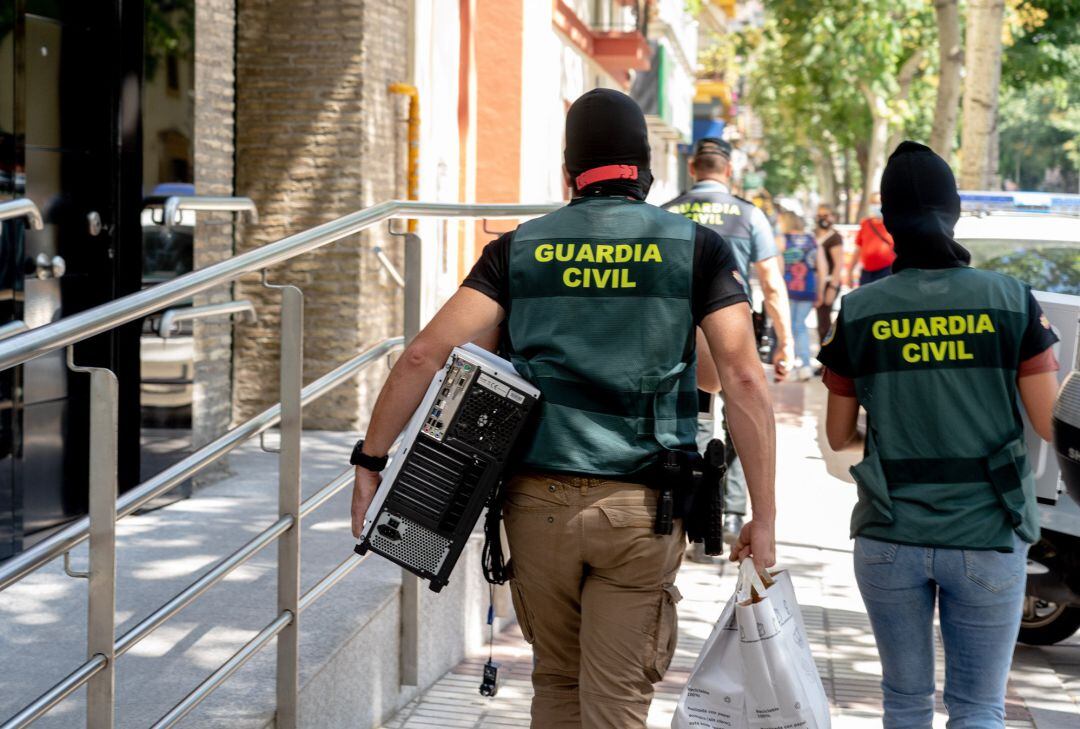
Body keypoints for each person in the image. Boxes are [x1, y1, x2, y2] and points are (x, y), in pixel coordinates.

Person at [350, 89, 777, 728]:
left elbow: (422, 356)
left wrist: (371, 461)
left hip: (536, 507)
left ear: (568, 174)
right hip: (641, 510)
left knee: (555, 683)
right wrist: (764, 516)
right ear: (646, 171)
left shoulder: (518, 249)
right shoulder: (695, 248)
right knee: (615, 703)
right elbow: (737, 377)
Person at [818, 142, 1060, 728]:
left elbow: (838, 434)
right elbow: (1049, 423)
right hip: (987, 534)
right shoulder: (1010, 301)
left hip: (889, 534)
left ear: (888, 221)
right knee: (978, 708)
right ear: (953, 212)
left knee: (904, 704)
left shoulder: (859, 310)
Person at [663, 137, 792, 541]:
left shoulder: (666, 213)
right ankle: (732, 511)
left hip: (680, 332)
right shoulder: (749, 215)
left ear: (692, 169)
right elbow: (771, 283)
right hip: (732, 328)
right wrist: (785, 342)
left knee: (694, 418)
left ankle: (695, 512)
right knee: (740, 416)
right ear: (730, 171)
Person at [777, 211, 827, 379]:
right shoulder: (813, 240)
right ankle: (803, 365)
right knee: (799, 325)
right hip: (808, 288)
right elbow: (822, 269)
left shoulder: (782, 239)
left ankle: (793, 364)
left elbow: (778, 268)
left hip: (787, 289)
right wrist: (820, 292)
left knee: (789, 327)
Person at [849, 191, 895, 286]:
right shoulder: (865, 223)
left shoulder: (892, 223)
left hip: (886, 272)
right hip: (867, 273)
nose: (876, 206)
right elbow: (858, 249)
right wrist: (850, 271)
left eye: (878, 203)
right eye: (873, 203)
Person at [813, 204, 844, 345]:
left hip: (828, 283)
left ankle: (827, 354)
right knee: (820, 323)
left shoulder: (835, 238)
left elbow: (838, 264)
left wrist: (832, 287)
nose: (822, 219)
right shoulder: (813, 234)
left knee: (824, 324)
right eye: (819, 215)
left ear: (833, 217)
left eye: (825, 215)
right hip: (815, 282)